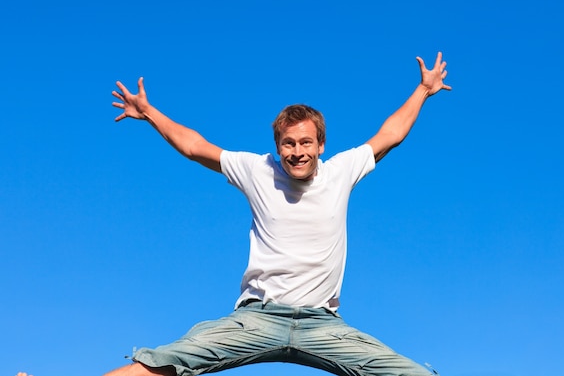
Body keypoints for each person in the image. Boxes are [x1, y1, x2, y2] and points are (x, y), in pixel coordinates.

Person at [107, 52, 451, 376]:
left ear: (320, 146)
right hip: (257, 318)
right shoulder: (257, 170)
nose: (297, 152)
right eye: (289, 143)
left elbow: (390, 135)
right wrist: (150, 113)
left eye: (305, 143)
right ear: (278, 147)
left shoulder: (341, 171)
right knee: (159, 364)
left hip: (323, 325)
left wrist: (423, 90)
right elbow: (195, 147)